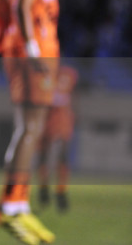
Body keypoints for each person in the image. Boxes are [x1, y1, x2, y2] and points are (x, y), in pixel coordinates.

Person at [0, 0, 66, 244]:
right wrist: (34, 48)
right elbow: (23, 0)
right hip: (30, 52)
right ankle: (10, 204)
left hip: (24, 49)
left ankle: (18, 202)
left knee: (31, 128)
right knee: (30, 128)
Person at [37, 64, 78, 213]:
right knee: (43, 157)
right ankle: (43, 189)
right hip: (46, 120)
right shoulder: (43, 74)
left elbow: (73, 96)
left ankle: (61, 192)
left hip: (62, 121)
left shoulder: (69, 74)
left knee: (62, 156)